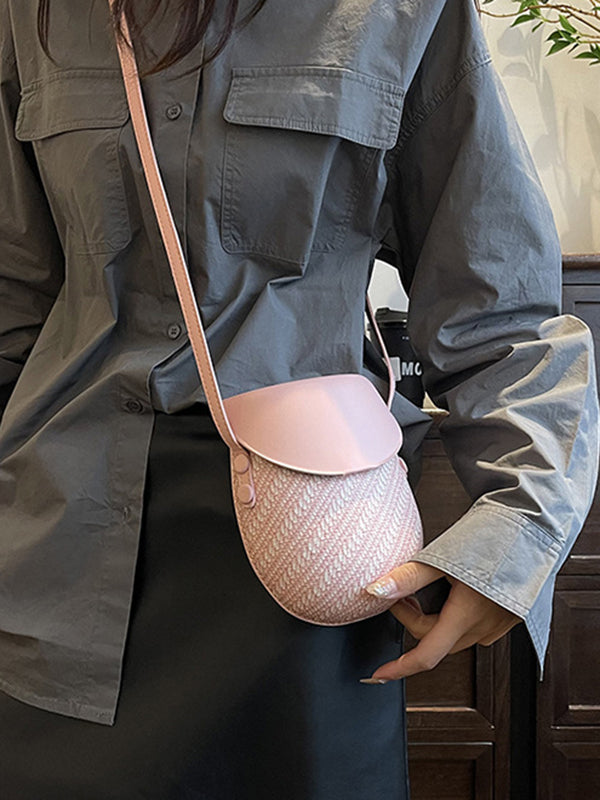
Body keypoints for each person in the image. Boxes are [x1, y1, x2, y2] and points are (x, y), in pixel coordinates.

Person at [0, 0, 598, 797]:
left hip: (309, 557)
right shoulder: (30, 14)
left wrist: (515, 538)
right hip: (60, 560)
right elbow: (14, 302)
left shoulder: (403, 10)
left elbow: (500, 308)